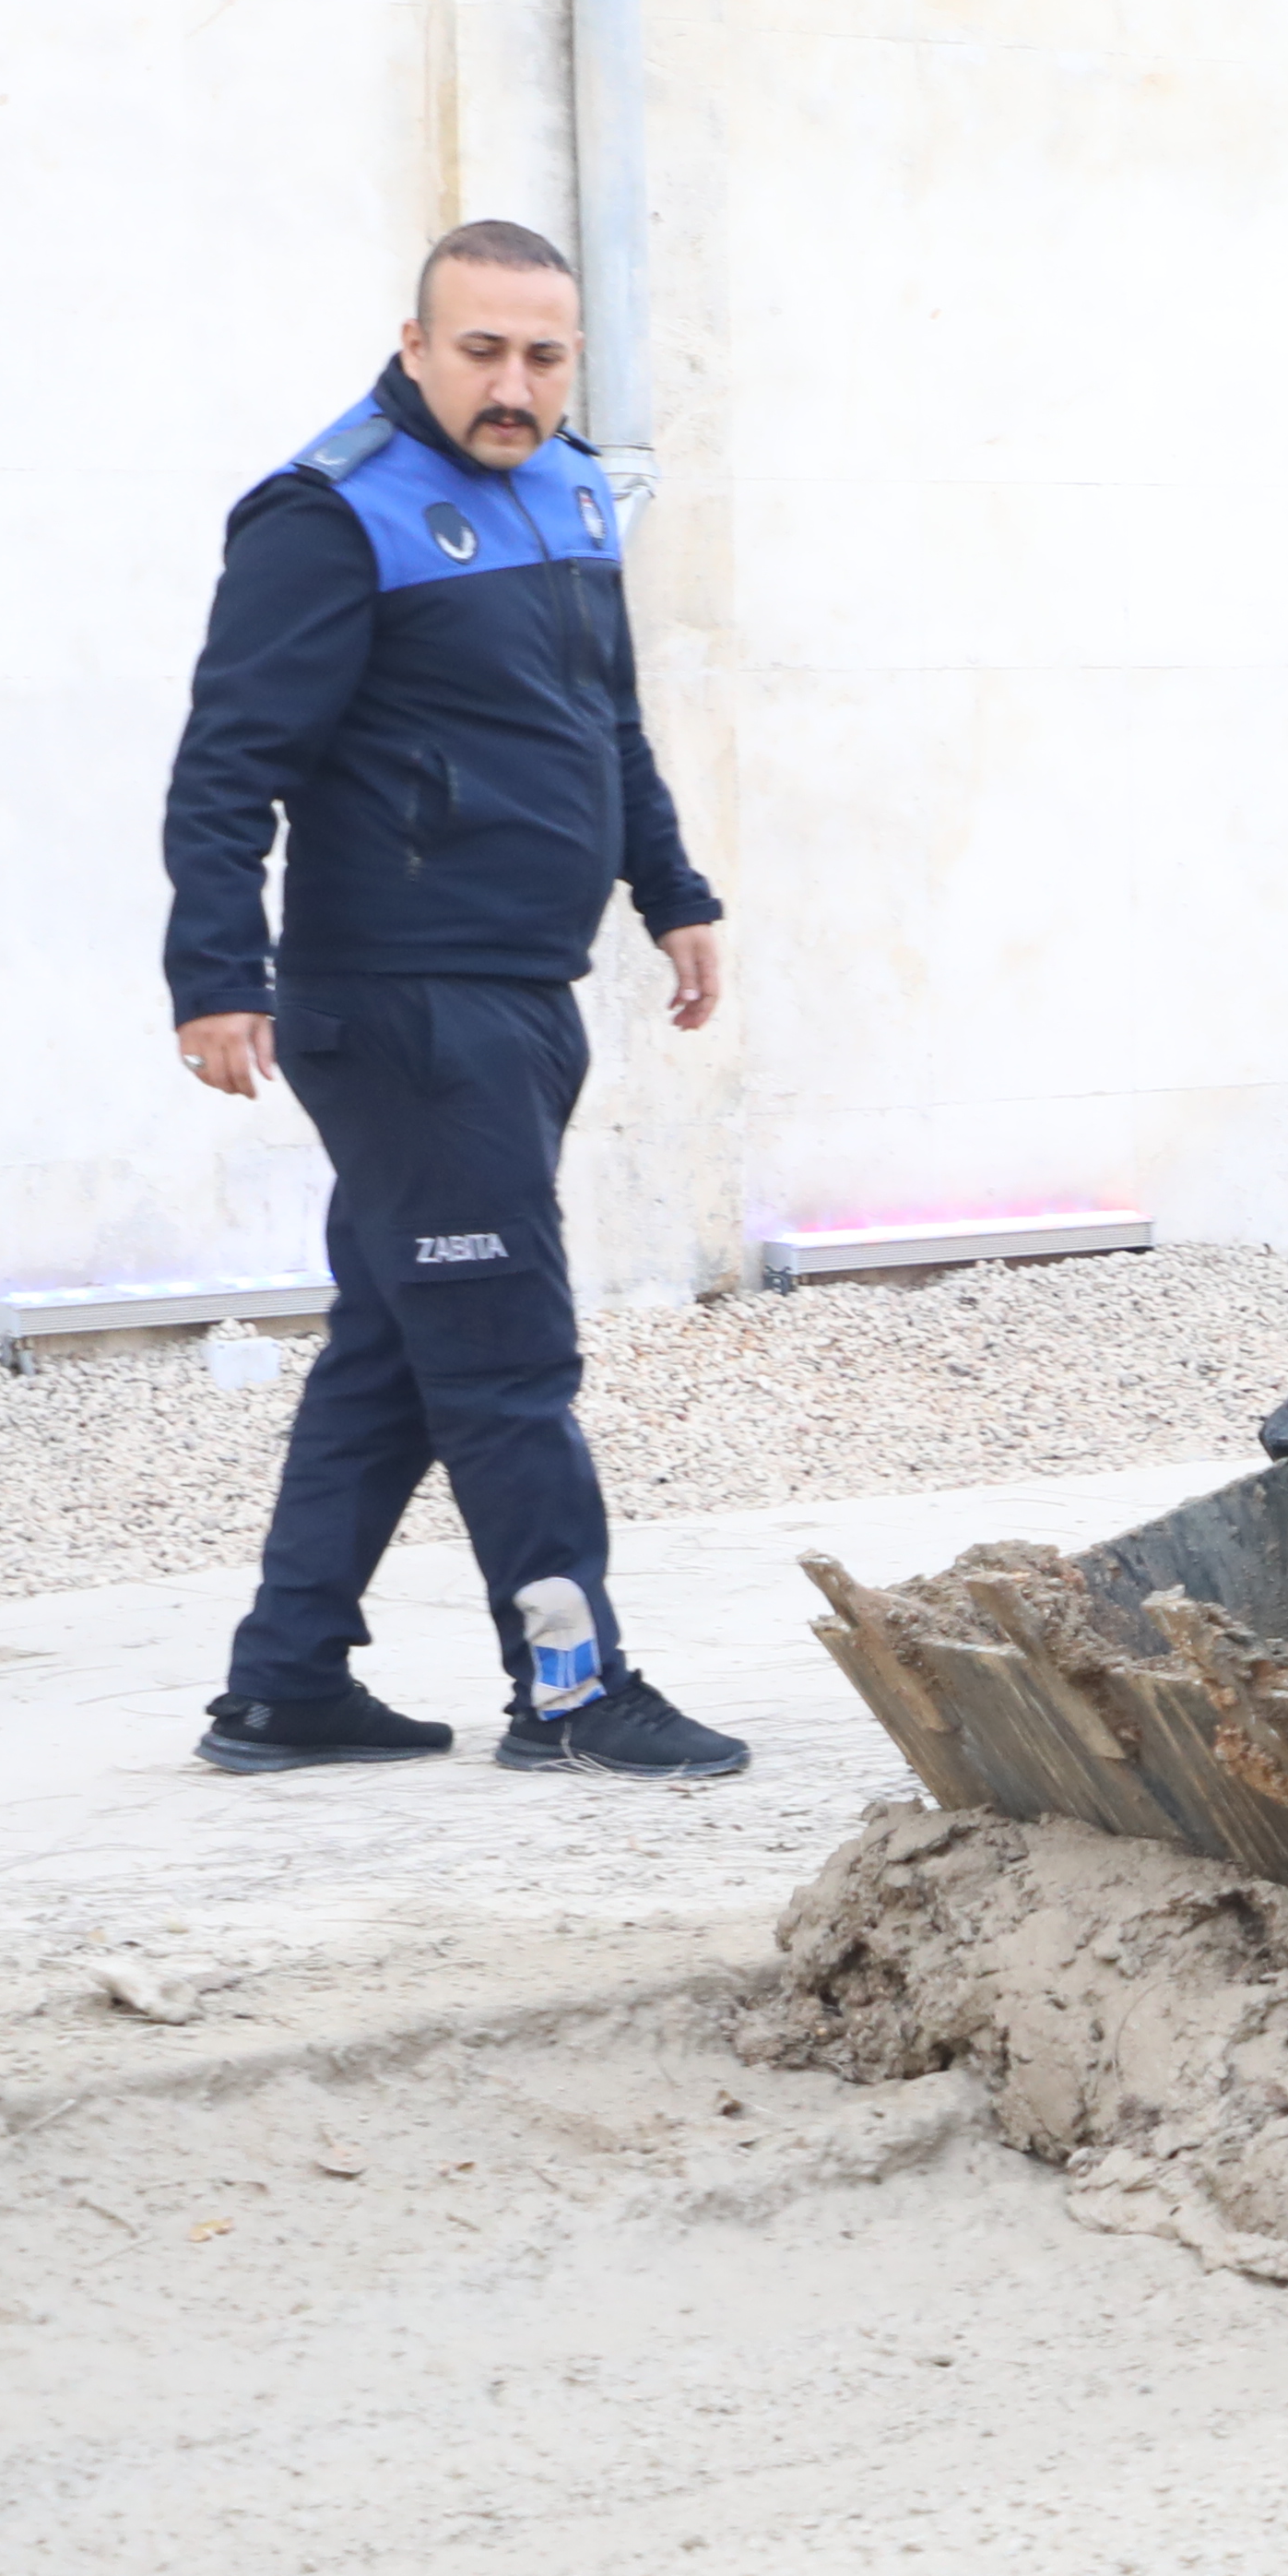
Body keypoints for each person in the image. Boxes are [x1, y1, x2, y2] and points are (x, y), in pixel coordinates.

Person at [162, 221, 749, 1780]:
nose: (513, 383)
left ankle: (286, 1684)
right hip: (404, 1009)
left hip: (518, 991)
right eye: (480, 349)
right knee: (506, 1356)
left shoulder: (565, 487)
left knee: (402, 1344)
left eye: (543, 355)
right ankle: (571, 1688)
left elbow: (601, 719)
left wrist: (671, 891)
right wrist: (217, 975)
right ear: (414, 343)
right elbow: (232, 762)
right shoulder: (330, 511)